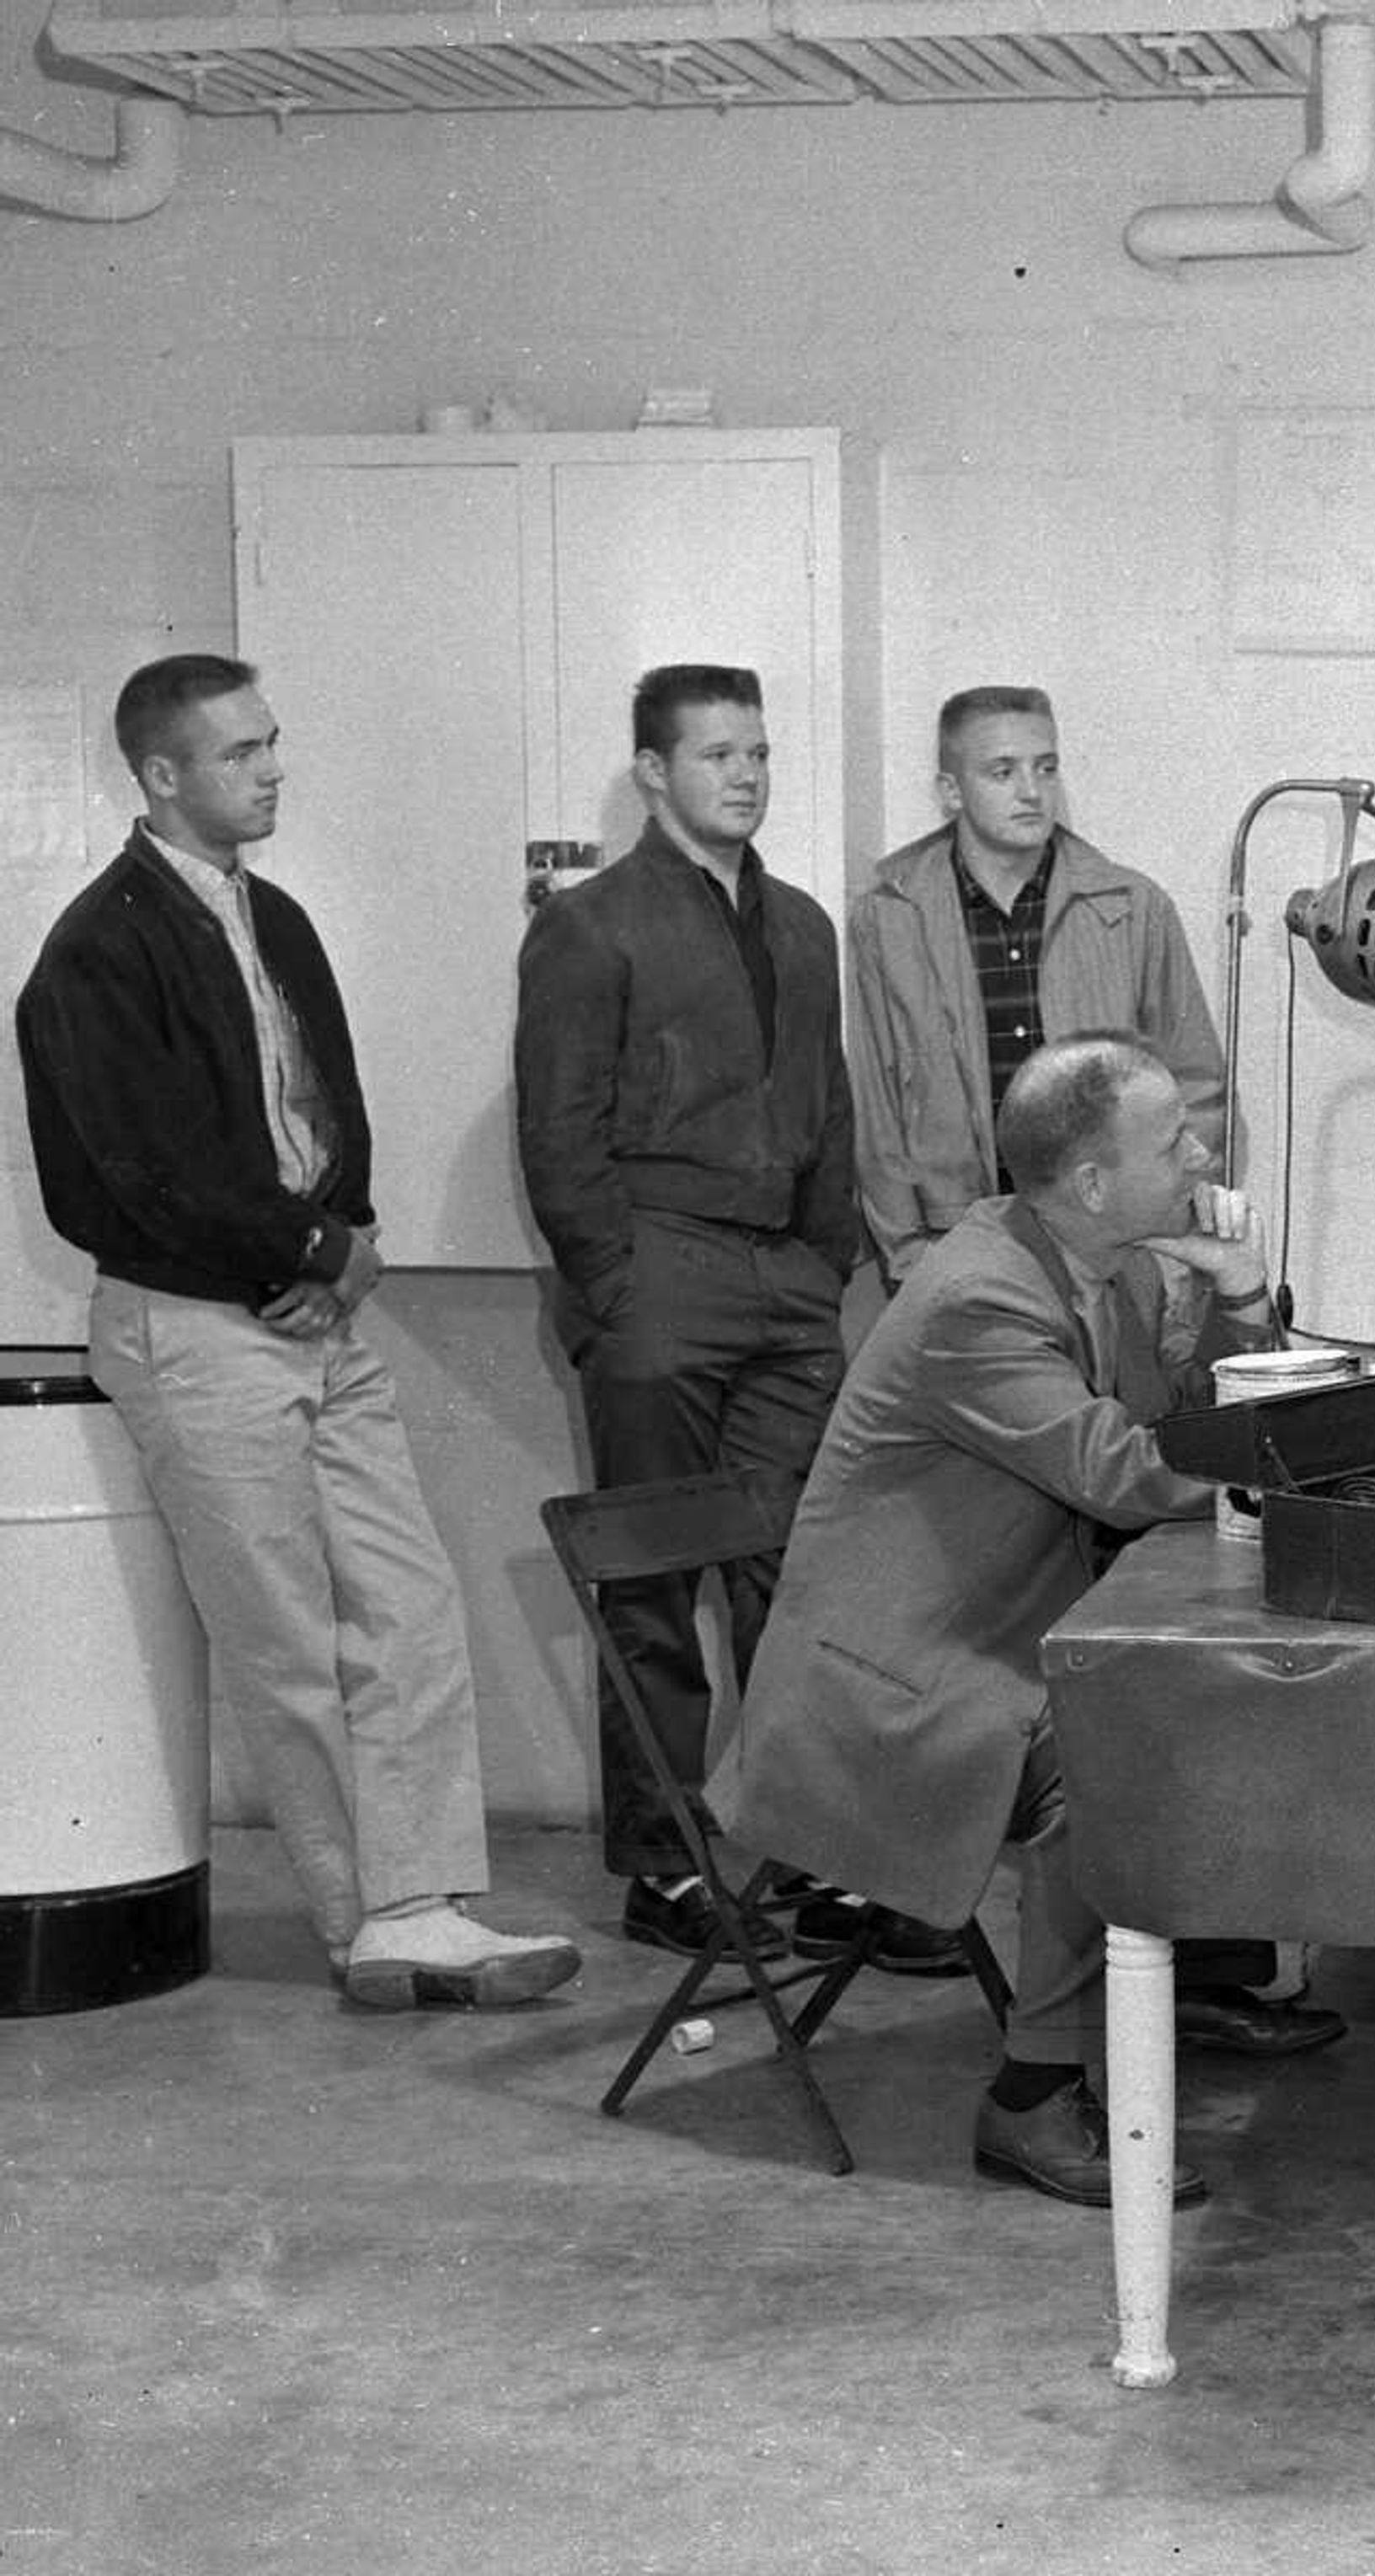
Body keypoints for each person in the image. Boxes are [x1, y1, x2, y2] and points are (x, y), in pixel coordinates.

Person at [16, 655, 580, 2008]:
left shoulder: (276, 916)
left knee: (408, 1605)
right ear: (160, 775)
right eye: (238, 753)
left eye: (272, 743)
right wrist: (318, 1248)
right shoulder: (95, 953)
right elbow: (134, 1176)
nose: (271, 769)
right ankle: (369, 1921)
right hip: (194, 1331)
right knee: (289, 1640)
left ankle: (426, 1900)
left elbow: (327, 1109)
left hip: (310, 1317)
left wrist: (342, 1244)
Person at [709, 1034, 1342, 2210]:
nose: (1205, 1153)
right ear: (1095, 1184)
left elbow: (1187, 1422)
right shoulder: (977, 1297)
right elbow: (1125, 1473)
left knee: (1204, 1699)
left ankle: (1174, 1970)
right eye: (1177, 1142)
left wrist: (1241, 1293)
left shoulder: (1119, 1268)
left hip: (997, 1631)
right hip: (886, 1681)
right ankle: (1031, 2095)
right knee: (1109, 1752)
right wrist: (1313, 1451)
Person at [514, 664, 862, 1961]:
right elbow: (560, 1135)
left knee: (802, 1576)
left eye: (759, 752)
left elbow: (826, 1108)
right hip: (657, 1273)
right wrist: (616, 1288)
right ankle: (665, 1871)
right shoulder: (590, 926)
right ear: (654, 772)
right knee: (653, 1581)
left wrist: (824, 1267)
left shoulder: (805, 926)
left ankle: (812, 1857)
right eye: (718, 754)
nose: (747, 775)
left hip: (786, 1281)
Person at [848, 685, 1228, 1288]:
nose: (1031, 791)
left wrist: (1167, 1249)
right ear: (951, 791)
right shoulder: (891, 917)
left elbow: (1197, 1087)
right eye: (1002, 772)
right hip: (958, 1245)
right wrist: (909, 1265)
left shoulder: (1131, 908)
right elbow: (877, 1114)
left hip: (1110, 1247)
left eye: (1045, 768)